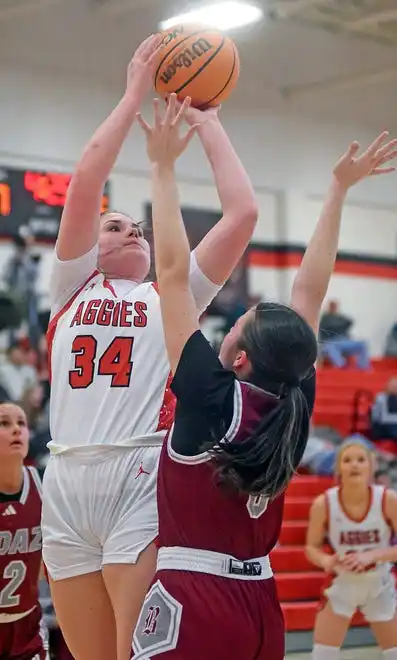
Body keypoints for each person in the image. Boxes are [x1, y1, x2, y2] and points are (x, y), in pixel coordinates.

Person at [130, 98, 397, 658]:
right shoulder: (293, 403)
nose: (227, 328)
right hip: (259, 601)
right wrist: (338, 192)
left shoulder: (210, 394)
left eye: (238, 326)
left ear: (243, 356)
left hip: (193, 597)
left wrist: (161, 166)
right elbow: (310, 294)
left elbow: (174, 275)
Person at [41, 34, 259, 660]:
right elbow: (86, 176)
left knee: (138, 654)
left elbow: (241, 213)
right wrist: (135, 91)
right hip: (66, 476)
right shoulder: (72, 285)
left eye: (137, 226)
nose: (130, 230)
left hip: (138, 471)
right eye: (115, 227)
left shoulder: (174, 290)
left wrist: (208, 121)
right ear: (91, 246)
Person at [306, 439, 397, 660]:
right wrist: (327, 561)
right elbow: (311, 547)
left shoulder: (387, 499)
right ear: (338, 468)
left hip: (379, 582)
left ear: (371, 466)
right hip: (342, 582)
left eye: (360, 460)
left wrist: (373, 555)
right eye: (347, 460)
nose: (354, 465)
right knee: (322, 654)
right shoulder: (323, 504)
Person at [0, 402, 48, 659]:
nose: (16, 430)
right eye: (4, 423)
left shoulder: (43, 483)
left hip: (27, 624)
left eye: (21, 423)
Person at [319, 300, 370, 370]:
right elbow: (328, 327)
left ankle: (363, 367)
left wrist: (338, 322)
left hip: (343, 341)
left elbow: (349, 321)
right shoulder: (325, 318)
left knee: (363, 344)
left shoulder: (340, 317)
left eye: (335, 306)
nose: (333, 308)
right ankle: (342, 366)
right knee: (329, 346)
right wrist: (339, 325)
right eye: (332, 306)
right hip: (331, 342)